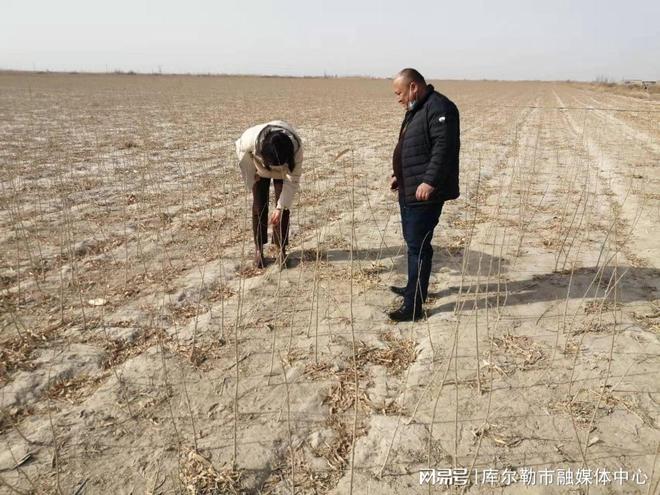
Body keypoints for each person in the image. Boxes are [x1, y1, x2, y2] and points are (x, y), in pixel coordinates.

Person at [388, 68, 460, 321]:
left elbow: (444, 149)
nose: (397, 98)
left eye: (399, 93)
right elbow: (415, 146)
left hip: (424, 193)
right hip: (410, 187)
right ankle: (412, 288)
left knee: (418, 246)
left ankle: (413, 306)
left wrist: (429, 181)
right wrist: (399, 174)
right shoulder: (418, 109)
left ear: (413, 88)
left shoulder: (440, 108)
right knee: (413, 244)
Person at [235, 120, 303, 268]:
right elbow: (240, 151)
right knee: (259, 207)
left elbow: (293, 180)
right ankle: (259, 249)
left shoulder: (296, 149)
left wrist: (280, 206)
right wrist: (251, 175)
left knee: (283, 211)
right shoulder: (250, 139)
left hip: (283, 172)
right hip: (258, 168)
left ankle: (281, 249)